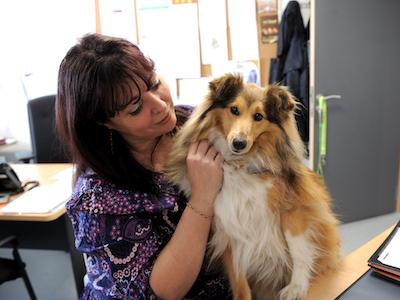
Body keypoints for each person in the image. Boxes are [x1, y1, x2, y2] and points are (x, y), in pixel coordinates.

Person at [56, 33, 231, 299]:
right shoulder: (99, 199)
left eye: (154, 84)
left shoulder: (193, 123)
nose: (160, 105)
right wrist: (203, 197)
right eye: (136, 108)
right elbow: (162, 290)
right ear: (104, 122)